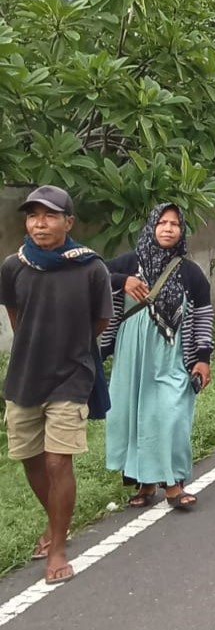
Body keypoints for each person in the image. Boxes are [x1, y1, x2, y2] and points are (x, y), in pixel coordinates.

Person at [1, 186, 113, 585]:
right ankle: (54, 522)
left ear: (68, 222)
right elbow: (17, 318)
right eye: (32, 216)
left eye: (48, 216)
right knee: (30, 458)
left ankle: (59, 549)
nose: (39, 223)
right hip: (25, 376)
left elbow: (98, 324)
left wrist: (70, 351)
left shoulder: (90, 269)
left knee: (56, 460)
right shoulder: (14, 267)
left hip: (71, 375)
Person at [101, 204, 214, 511]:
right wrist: (122, 281)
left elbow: (203, 316)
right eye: (162, 223)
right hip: (131, 356)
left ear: (182, 231)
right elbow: (92, 274)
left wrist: (203, 358)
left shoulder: (191, 273)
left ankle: (174, 485)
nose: (167, 229)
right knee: (135, 415)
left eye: (174, 224)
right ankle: (146, 482)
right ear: (151, 227)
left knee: (171, 414)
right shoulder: (129, 263)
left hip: (172, 357)